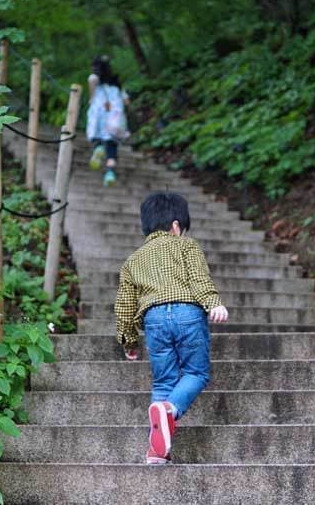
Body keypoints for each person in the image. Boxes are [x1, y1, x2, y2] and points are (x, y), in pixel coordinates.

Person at [114, 192, 230, 464]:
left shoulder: (133, 260)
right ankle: (169, 410)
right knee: (196, 372)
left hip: (153, 319)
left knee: (163, 382)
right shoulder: (187, 246)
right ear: (176, 226)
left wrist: (129, 340)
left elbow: (124, 306)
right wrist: (213, 302)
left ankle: (157, 451)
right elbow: (199, 278)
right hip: (188, 313)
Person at [85, 55, 129, 187]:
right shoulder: (117, 84)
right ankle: (110, 173)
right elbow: (127, 102)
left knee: (98, 138)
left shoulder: (94, 80)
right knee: (112, 146)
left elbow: (92, 97)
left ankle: (98, 147)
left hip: (99, 116)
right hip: (115, 119)